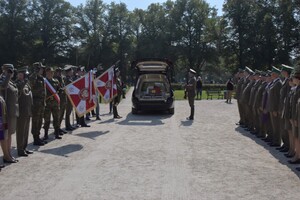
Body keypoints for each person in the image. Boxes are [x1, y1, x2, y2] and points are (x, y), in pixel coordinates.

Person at [0, 64, 19, 163]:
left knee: (10, 134)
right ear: (4, 70)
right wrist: (7, 75)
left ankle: (9, 154)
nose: (11, 72)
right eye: (9, 70)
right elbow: (2, 86)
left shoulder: (11, 81)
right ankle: (6, 156)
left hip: (12, 111)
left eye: (12, 70)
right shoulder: (2, 79)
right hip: (5, 112)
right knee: (6, 135)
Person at [15, 66, 33, 157]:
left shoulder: (26, 83)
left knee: (26, 130)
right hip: (21, 111)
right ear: (18, 75)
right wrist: (24, 82)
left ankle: (25, 147)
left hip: (28, 110)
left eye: (24, 74)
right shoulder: (17, 83)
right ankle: (20, 149)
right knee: (20, 131)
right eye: (21, 74)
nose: (22, 76)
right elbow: (18, 94)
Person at [29, 62, 47, 146]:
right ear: (37, 69)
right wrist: (35, 72)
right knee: (35, 121)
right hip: (36, 103)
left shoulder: (41, 78)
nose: (42, 70)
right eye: (41, 68)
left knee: (40, 121)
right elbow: (31, 84)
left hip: (41, 103)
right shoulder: (33, 77)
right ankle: (35, 138)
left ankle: (38, 137)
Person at [43, 67, 62, 140]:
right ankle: (45, 134)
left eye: (51, 72)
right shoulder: (44, 81)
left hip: (55, 103)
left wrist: (60, 90)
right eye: (48, 72)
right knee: (47, 120)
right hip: (47, 103)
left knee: (56, 118)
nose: (50, 74)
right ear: (46, 73)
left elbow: (58, 89)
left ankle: (56, 133)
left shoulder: (56, 81)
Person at [54, 67, 68, 134]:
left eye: (60, 72)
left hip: (63, 98)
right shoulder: (55, 79)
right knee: (58, 115)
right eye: (58, 72)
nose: (60, 73)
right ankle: (56, 129)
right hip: (58, 99)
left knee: (62, 114)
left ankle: (59, 127)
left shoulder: (62, 78)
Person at [64, 65, 76, 131]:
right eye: (71, 71)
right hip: (68, 98)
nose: (72, 72)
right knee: (68, 112)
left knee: (69, 111)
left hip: (70, 97)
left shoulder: (70, 78)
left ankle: (69, 124)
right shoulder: (66, 79)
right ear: (68, 72)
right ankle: (67, 125)